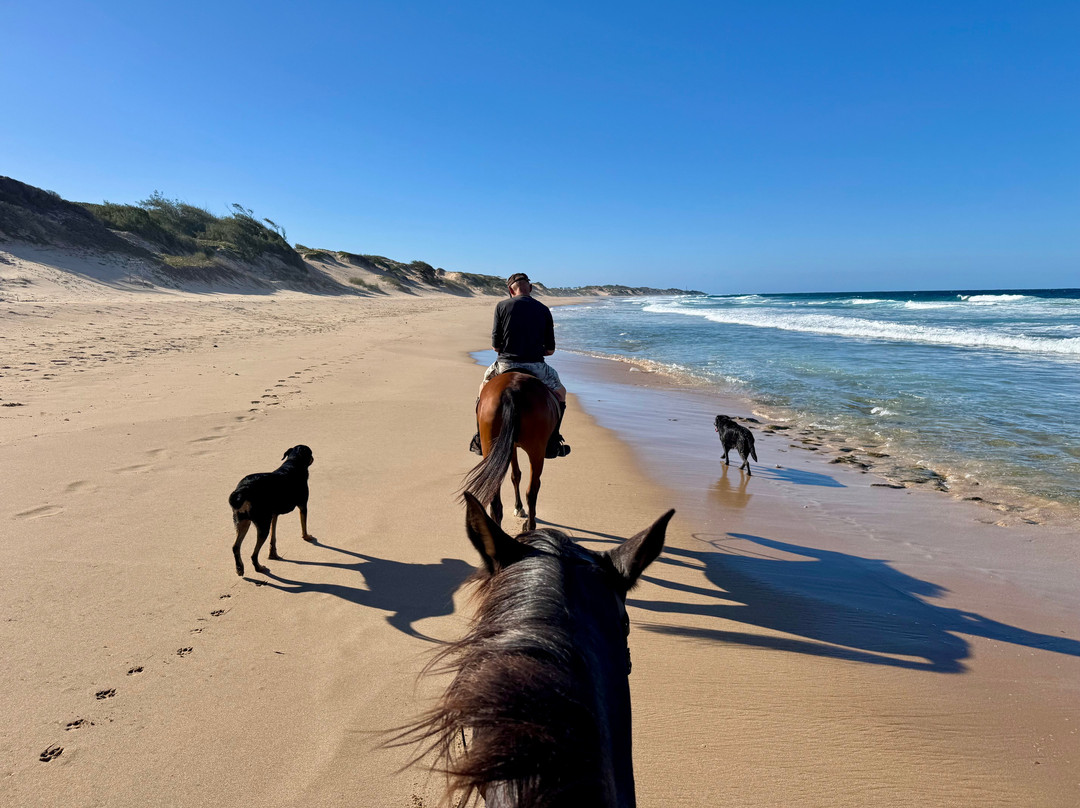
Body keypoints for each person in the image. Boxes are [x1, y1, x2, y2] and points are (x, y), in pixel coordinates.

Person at [469, 272, 570, 458]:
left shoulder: (501, 306)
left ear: (510, 290)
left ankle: (479, 438)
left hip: (505, 365)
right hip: (536, 367)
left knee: (483, 388)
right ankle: (553, 441)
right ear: (530, 288)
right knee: (561, 393)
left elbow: (496, 346)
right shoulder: (543, 309)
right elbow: (550, 350)